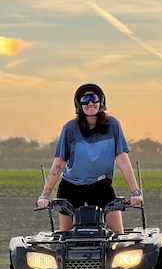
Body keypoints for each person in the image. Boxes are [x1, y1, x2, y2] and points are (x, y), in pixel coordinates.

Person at [37, 83, 142, 233]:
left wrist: (135, 193)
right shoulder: (70, 128)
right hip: (71, 187)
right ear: (79, 104)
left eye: (94, 98)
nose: (90, 103)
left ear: (101, 102)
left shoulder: (113, 125)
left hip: (100, 186)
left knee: (118, 236)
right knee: (67, 239)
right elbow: (59, 163)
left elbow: (122, 160)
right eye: (85, 100)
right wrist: (44, 196)